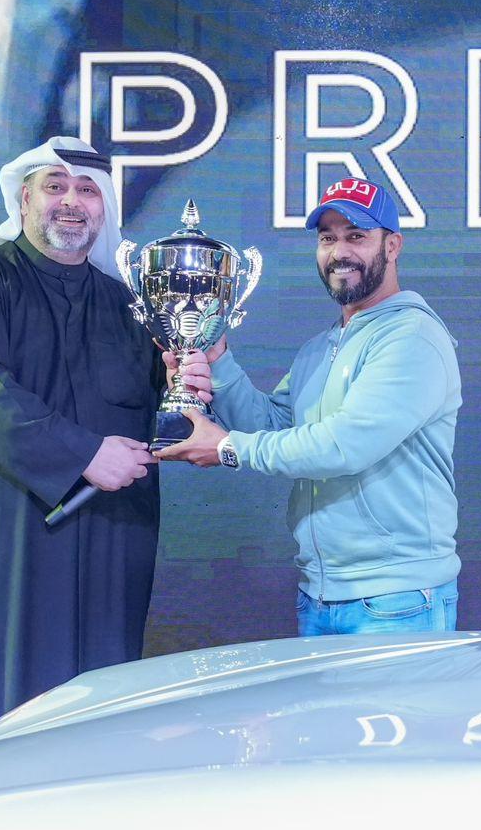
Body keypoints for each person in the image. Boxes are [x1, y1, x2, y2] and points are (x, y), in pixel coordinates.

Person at [0, 137, 202, 771]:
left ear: (105, 208)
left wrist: (185, 385)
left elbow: (157, 418)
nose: (71, 202)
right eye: (55, 186)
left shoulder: (130, 308)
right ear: (23, 199)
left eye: (87, 190)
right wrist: (82, 455)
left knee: (92, 715)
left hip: (102, 546)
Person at [157, 176, 462, 636]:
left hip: (397, 600)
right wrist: (218, 361)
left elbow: (344, 445)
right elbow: (274, 426)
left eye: (356, 236)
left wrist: (227, 448)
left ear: (393, 245)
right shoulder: (320, 348)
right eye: (327, 239)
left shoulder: (412, 337)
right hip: (319, 594)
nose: (339, 252)